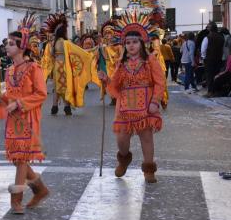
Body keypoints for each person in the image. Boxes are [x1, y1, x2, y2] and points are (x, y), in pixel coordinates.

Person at [0, 12, 49, 214]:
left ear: (22, 47)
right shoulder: (10, 71)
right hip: (13, 120)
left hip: (28, 118)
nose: (7, 46)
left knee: (22, 158)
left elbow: (41, 94)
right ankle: (40, 189)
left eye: (11, 43)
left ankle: (16, 199)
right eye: (7, 43)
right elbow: (9, 99)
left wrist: (20, 104)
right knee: (17, 159)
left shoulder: (33, 68)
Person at [98, 11, 165, 183]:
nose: (131, 45)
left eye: (135, 42)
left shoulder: (151, 60)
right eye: (128, 42)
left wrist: (155, 101)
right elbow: (115, 87)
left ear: (142, 43)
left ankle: (149, 169)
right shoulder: (121, 64)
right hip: (124, 108)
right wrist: (106, 80)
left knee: (146, 138)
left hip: (146, 108)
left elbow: (160, 82)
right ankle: (124, 159)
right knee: (121, 140)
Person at [41, 13, 93, 116]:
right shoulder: (65, 42)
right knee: (65, 86)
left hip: (56, 65)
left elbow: (51, 55)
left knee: (57, 87)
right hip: (63, 66)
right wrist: (90, 53)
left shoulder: (53, 43)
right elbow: (77, 51)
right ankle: (66, 107)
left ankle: (54, 107)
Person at [201, 22, 225, 97]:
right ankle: (216, 91)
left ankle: (210, 92)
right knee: (217, 74)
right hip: (219, 58)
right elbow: (223, 48)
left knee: (209, 75)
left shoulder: (207, 37)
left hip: (209, 59)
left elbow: (203, 49)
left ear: (210, 29)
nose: (207, 28)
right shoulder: (221, 37)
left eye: (208, 27)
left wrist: (203, 57)